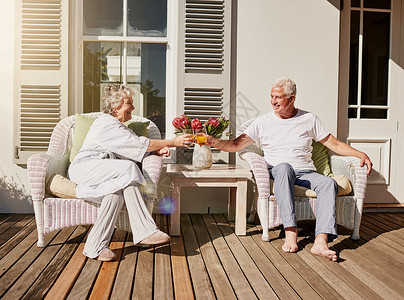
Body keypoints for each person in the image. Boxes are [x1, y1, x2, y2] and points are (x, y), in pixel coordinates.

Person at [206, 78, 372, 261]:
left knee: (328, 183)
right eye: (271, 96)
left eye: (278, 97)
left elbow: (333, 143)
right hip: (279, 171)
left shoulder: (309, 119)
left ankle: (321, 241)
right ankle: (290, 232)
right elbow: (236, 145)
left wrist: (360, 154)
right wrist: (214, 142)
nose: (273, 101)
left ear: (291, 99)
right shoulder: (263, 122)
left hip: (306, 172)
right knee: (285, 168)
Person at [68, 84, 194, 261]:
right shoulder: (106, 123)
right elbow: (137, 145)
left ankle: (94, 246)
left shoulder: (120, 127)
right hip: (85, 167)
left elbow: (134, 144)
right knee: (128, 168)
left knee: (115, 196)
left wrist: (156, 151)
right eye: (129, 103)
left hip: (104, 171)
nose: (133, 108)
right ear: (115, 106)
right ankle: (144, 230)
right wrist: (173, 142)